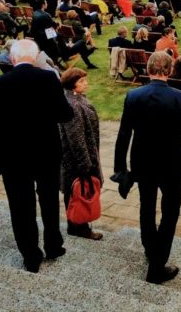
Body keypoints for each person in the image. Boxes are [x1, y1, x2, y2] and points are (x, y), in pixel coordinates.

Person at [0, 40, 74, 272]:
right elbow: (65, 114)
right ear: (34, 58)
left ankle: (31, 255)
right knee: (49, 201)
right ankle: (53, 245)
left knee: (21, 206)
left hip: (12, 156)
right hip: (46, 152)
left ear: (12, 60)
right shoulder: (48, 79)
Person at [113, 51, 181, 284]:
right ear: (169, 71)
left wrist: (120, 167)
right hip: (171, 164)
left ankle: (152, 250)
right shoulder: (180, 98)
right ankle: (157, 264)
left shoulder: (134, 95)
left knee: (147, 208)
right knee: (170, 213)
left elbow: (123, 135)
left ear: (149, 70)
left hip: (143, 162)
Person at [59, 67, 104, 241]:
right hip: (77, 159)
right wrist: (85, 163)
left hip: (80, 156)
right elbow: (76, 138)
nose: (86, 83)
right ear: (71, 85)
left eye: (85, 79)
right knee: (78, 192)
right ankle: (79, 226)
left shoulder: (74, 99)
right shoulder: (73, 105)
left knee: (76, 191)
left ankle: (75, 224)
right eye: (81, 81)